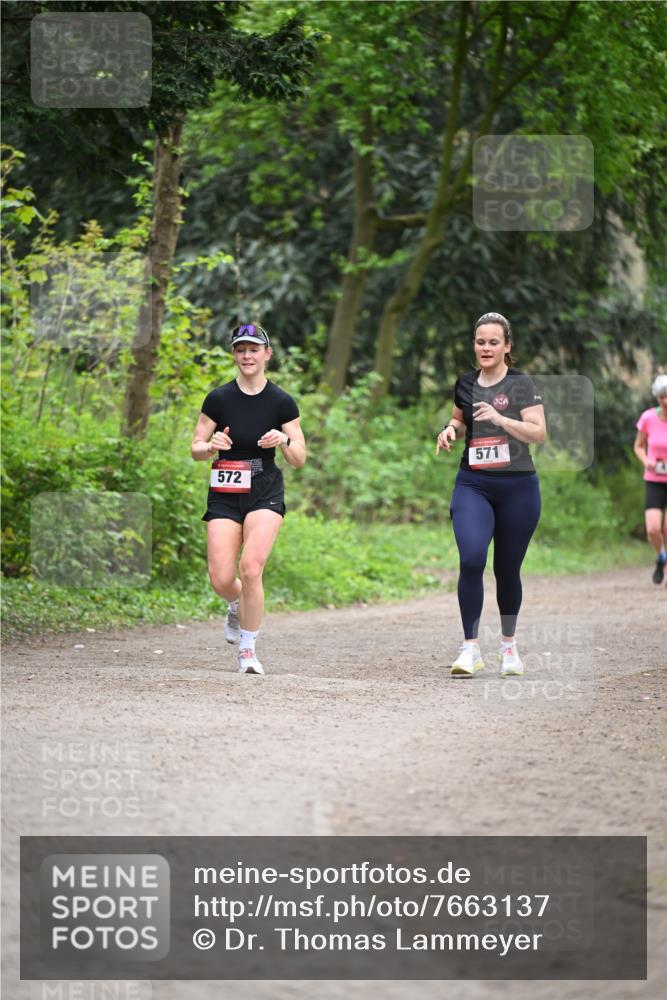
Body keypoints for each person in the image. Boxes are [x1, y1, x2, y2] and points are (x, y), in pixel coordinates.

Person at [191, 323, 306, 674]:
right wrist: (210, 446)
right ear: (234, 355)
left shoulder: (281, 402)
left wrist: (283, 441)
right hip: (225, 491)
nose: (247, 356)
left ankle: (247, 651)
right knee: (221, 578)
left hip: (264, 488)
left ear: (267, 354)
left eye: (254, 349)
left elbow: (299, 457)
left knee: (252, 568)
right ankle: (235, 602)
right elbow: (196, 448)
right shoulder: (218, 399)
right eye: (241, 350)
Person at [436, 312, 546, 678]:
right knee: (471, 559)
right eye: (480, 341)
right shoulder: (465, 383)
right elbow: (459, 419)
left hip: (518, 487)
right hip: (474, 484)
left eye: (493, 342)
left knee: (506, 569)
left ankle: (508, 646)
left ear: (507, 346)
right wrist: (449, 430)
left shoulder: (521, 384)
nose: (486, 348)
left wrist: (501, 420)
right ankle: (470, 648)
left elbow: (538, 432)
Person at [634, 373, 667, 585]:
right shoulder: (648, 418)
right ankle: (661, 556)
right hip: (654, 479)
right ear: (657, 397)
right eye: (662, 397)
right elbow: (638, 446)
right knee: (653, 528)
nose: (666, 401)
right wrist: (647, 461)